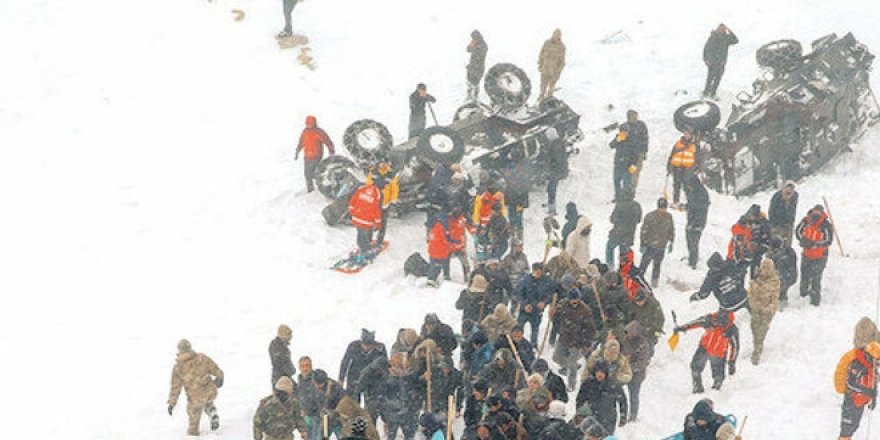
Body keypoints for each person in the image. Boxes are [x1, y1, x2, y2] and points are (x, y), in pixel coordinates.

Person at [167, 339, 224, 436]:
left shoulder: (178, 368)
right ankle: (211, 410)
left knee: (193, 419)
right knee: (207, 400)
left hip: (195, 399)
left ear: (179, 351)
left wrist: (172, 403)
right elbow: (216, 369)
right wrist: (220, 378)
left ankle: (193, 435)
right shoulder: (202, 358)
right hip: (211, 391)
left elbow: (175, 388)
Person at [674, 311, 739, 392]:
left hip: (719, 353)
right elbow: (696, 322)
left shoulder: (732, 329)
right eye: (715, 323)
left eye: (720, 325)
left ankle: (716, 391)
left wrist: (732, 362)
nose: (717, 325)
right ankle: (697, 387)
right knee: (695, 368)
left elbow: (735, 347)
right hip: (704, 348)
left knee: (718, 376)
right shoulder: (709, 319)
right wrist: (683, 327)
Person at [551, 288, 596, 389]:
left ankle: (571, 385)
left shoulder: (585, 310)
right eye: (572, 299)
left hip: (578, 339)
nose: (574, 302)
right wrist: (553, 314)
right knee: (556, 357)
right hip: (564, 337)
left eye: (576, 299)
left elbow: (590, 328)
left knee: (572, 363)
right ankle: (573, 366)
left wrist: (587, 343)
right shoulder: (562, 305)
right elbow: (556, 318)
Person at [836, 342, 880, 440]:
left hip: (860, 403)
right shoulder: (857, 365)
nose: (878, 363)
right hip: (851, 401)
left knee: (854, 427)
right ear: (869, 357)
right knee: (846, 431)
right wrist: (867, 391)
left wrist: (874, 399)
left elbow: (874, 385)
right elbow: (850, 384)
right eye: (876, 360)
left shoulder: (871, 368)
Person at [795, 204, 834, 306]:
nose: (816, 213)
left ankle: (815, 301)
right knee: (804, 275)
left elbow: (828, 240)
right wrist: (803, 240)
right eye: (815, 211)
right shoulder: (806, 221)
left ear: (822, 213)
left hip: (820, 256)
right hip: (806, 254)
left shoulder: (826, 225)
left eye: (818, 212)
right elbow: (798, 231)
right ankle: (803, 295)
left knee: (816, 278)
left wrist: (815, 244)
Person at [575, 361, 628, 435]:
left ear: (606, 373)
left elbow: (622, 401)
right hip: (591, 417)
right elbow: (580, 400)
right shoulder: (587, 384)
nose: (600, 374)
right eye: (598, 371)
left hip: (608, 418)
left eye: (602, 372)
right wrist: (579, 414)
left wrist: (623, 417)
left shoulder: (613, 384)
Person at [380, 352, 422, 440]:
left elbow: (417, 393)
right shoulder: (387, 377)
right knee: (392, 435)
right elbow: (382, 397)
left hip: (406, 412)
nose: (406, 362)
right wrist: (385, 417)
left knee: (408, 435)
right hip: (394, 412)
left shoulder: (411, 376)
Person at [514, 263, 558, 345]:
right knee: (518, 328)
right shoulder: (525, 280)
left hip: (537, 311)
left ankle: (533, 346)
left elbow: (552, 293)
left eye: (540, 272)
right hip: (525, 310)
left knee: (535, 330)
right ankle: (516, 344)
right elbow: (518, 293)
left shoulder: (547, 281)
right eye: (536, 272)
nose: (538, 274)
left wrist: (544, 302)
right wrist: (525, 304)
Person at [747, 258, 780, 365]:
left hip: (767, 311)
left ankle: (757, 352)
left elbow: (773, 297)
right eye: (763, 268)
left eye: (767, 268)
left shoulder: (774, 281)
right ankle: (757, 345)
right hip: (756, 309)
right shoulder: (756, 278)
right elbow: (751, 293)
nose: (764, 270)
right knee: (754, 328)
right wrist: (754, 304)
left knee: (761, 331)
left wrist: (768, 308)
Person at [339, 329, 388, 399]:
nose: (366, 347)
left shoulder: (380, 348)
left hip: (372, 379)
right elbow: (345, 362)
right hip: (354, 377)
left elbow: (384, 364)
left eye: (369, 345)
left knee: (372, 403)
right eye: (364, 345)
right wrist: (341, 379)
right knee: (352, 402)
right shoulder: (353, 345)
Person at [639, 198, 675, 287]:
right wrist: (643, 244)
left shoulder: (669, 217)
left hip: (662, 246)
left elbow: (671, 230)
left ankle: (654, 283)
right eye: (661, 208)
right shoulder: (650, 216)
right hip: (650, 245)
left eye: (664, 208)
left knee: (657, 265)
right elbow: (644, 231)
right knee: (644, 265)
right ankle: (638, 280)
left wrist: (671, 241)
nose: (663, 210)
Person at [620, 320, 652, 422]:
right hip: (624, 373)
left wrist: (629, 368)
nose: (628, 335)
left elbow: (642, 362)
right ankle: (622, 414)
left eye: (629, 333)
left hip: (637, 375)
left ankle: (633, 416)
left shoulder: (643, 344)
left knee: (633, 395)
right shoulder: (625, 341)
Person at [295, 115, 335, 193]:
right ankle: (310, 190)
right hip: (307, 157)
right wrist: (297, 151)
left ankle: (323, 188)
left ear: (314, 123)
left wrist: (331, 151)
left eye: (311, 123)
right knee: (307, 175)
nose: (309, 125)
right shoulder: (305, 131)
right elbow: (301, 142)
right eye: (307, 123)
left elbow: (327, 141)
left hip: (316, 156)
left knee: (316, 173)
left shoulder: (319, 132)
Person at [606, 188, 642, 267]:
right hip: (629, 235)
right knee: (624, 254)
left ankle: (610, 267)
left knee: (609, 248)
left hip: (617, 233)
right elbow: (639, 220)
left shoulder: (620, 204)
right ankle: (622, 271)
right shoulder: (637, 206)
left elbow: (612, 219)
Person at [702, 24, 738, 99]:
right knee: (710, 78)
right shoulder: (713, 37)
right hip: (712, 62)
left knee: (718, 79)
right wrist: (705, 59)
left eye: (723, 29)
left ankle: (713, 93)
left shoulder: (726, 38)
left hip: (721, 62)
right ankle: (706, 92)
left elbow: (736, 40)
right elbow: (706, 48)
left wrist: (730, 31)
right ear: (717, 29)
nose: (722, 30)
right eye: (721, 29)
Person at [683, 174, 710, 269]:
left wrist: (693, 224)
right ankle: (691, 257)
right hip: (691, 221)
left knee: (694, 241)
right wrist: (685, 206)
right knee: (689, 239)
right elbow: (692, 205)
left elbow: (700, 211)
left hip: (697, 223)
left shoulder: (701, 194)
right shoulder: (694, 191)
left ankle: (693, 262)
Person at [349, 179, 383, 254]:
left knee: (360, 233)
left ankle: (363, 245)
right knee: (365, 234)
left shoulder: (363, 188)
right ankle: (365, 250)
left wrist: (352, 211)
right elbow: (376, 209)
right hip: (366, 220)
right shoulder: (377, 193)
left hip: (357, 217)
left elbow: (353, 199)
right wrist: (378, 222)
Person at [667, 129, 700, 205]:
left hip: (688, 168)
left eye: (688, 134)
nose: (686, 135)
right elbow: (672, 155)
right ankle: (675, 201)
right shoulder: (678, 143)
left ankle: (690, 201)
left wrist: (696, 167)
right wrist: (669, 166)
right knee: (676, 185)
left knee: (687, 185)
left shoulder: (694, 145)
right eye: (685, 133)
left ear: (691, 135)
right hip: (677, 167)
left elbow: (697, 157)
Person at [608, 123, 640, 200]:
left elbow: (636, 153)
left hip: (627, 165)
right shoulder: (618, 138)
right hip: (618, 164)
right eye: (622, 131)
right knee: (616, 181)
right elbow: (611, 145)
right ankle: (618, 196)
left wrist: (634, 164)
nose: (624, 133)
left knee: (626, 183)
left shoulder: (632, 139)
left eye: (625, 131)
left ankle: (626, 197)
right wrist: (617, 140)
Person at [767, 235, 798, 310]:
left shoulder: (781, 255)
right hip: (789, 275)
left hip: (787, 276)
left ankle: (781, 301)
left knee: (780, 286)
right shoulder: (789, 250)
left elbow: (781, 269)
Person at [503, 158, 530, 241]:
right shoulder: (521, 176)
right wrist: (524, 202)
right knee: (518, 219)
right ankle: (518, 237)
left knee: (513, 219)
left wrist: (506, 201)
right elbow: (525, 190)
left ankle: (514, 236)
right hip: (518, 202)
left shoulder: (511, 177)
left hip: (514, 202)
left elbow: (508, 190)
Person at [296, 356, 323, 440]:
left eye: (307, 365)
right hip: (306, 417)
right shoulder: (299, 380)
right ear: (299, 367)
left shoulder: (318, 378)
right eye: (302, 366)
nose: (305, 368)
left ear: (311, 366)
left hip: (317, 417)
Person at [545, 127, 569, 215]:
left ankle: (552, 208)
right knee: (551, 187)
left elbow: (557, 160)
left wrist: (552, 170)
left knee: (551, 189)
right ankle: (551, 204)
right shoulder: (559, 142)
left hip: (556, 171)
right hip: (559, 170)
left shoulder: (555, 145)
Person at [624, 110, 649, 190]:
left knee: (636, 172)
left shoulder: (641, 125)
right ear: (629, 118)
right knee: (628, 172)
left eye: (636, 117)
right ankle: (626, 189)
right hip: (629, 155)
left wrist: (644, 152)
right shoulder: (625, 126)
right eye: (633, 117)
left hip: (639, 153)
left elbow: (645, 138)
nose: (635, 119)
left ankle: (632, 189)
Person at [538, 29, 566, 101]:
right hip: (545, 68)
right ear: (553, 34)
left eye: (558, 35)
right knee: (542, 86)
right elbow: (541, 54)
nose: (556, 36)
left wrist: (558, 72)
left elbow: (562, 62)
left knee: (551, 87)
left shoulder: (562, 47)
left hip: (554, 71)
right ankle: (541, 97)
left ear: (560, 36)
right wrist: (540, 64)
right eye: (555, 34)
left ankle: (548, 100)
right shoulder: (547, 43)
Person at [427, 213, 454, 286]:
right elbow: (445, 239)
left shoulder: (433, 224)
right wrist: (453, 241)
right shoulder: (443, 226)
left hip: (432, 249)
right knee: (439, 265)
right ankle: (437, 279)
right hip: (441, 250)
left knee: (433, 265)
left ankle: (431, 278)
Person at [768, 181, 799, 246]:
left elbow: (793, 210)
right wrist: (773, 225)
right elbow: (771, 210)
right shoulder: (777, 196)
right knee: (775, 244)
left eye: (791, 188)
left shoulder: (795, 196)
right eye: (788, 187)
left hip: (788, 225)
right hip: (777, 224)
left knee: (787, 245)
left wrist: (790, 222)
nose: (789, 190)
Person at [448, 206, 471, 282]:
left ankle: (467, 277)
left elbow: (468, 228)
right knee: (444, 261)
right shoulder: (448, 221)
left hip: (460, 246)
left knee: (465, 263)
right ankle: (446, 275)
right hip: (450, 246)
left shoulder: (462, 220)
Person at [270, 324, 296, 389]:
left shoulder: (278, 346)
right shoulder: (279, 348)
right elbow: (284, 363)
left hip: (282, 377)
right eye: (289, 334)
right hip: (281, 378)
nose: (291, 337)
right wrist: (292, 370)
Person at [467, 31, 488, 102]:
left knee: (475, 82)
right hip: (471, 66)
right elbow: (468, 50)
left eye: (474, 38)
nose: (473, 39)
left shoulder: (483, 45)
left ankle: (475, 97)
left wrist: (474, 47)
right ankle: (469, 94)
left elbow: (479, 56)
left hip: (479, 67)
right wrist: (471, 45)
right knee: (469, 80)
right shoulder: (474, 42)